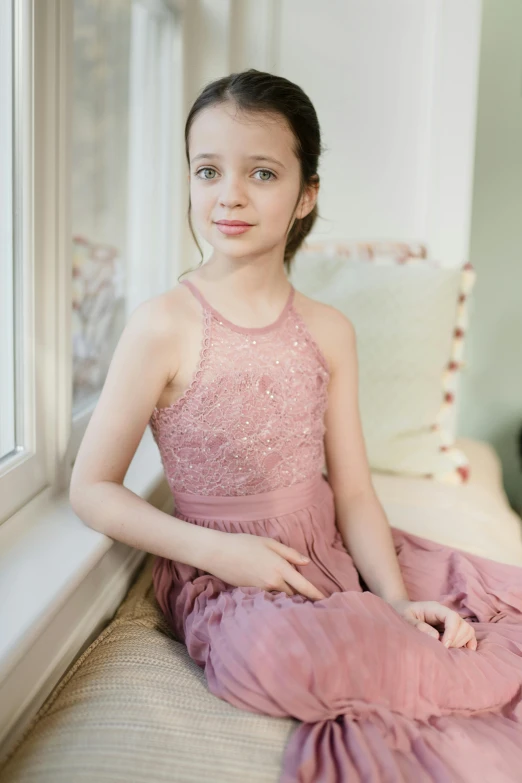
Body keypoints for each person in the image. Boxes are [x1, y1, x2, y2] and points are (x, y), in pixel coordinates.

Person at [70, 69, 522, 782]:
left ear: (307, 192)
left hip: (327, 545)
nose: (230, 195)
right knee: (272, 658)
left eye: (262, 173)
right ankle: (379, 653)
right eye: (208, 170)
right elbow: (92, 487)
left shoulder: (329, 330)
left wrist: (395, 600)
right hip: (226, 569)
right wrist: (221, 556)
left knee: (481, 606)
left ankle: (392, 638)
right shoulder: (162, 325)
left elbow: (354, 494)